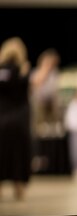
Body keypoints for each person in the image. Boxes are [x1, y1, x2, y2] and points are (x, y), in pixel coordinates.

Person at [0, 37, 32, 200]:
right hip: (19, 119)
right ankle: (19, 187)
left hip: (3, 118)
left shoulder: (1, 70)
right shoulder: (23, 70)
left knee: (2, 152)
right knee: (19, 153)